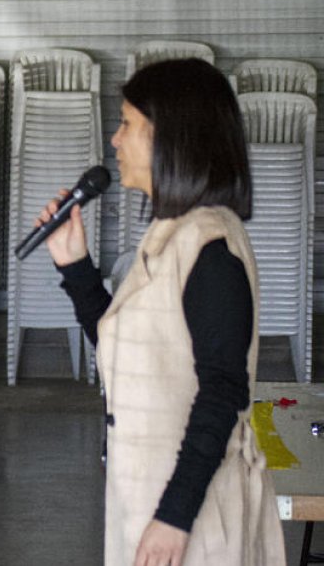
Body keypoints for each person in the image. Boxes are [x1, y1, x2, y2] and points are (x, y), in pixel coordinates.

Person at [35, 58, 284, 566]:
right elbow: (122, 353)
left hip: (194, 517)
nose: (115, 140)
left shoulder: (210, 247)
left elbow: (223, 390)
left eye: (127, 123)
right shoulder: (167, 238)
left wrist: (174, 517)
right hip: (148, 498)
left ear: (172, 138)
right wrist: (76, 267)